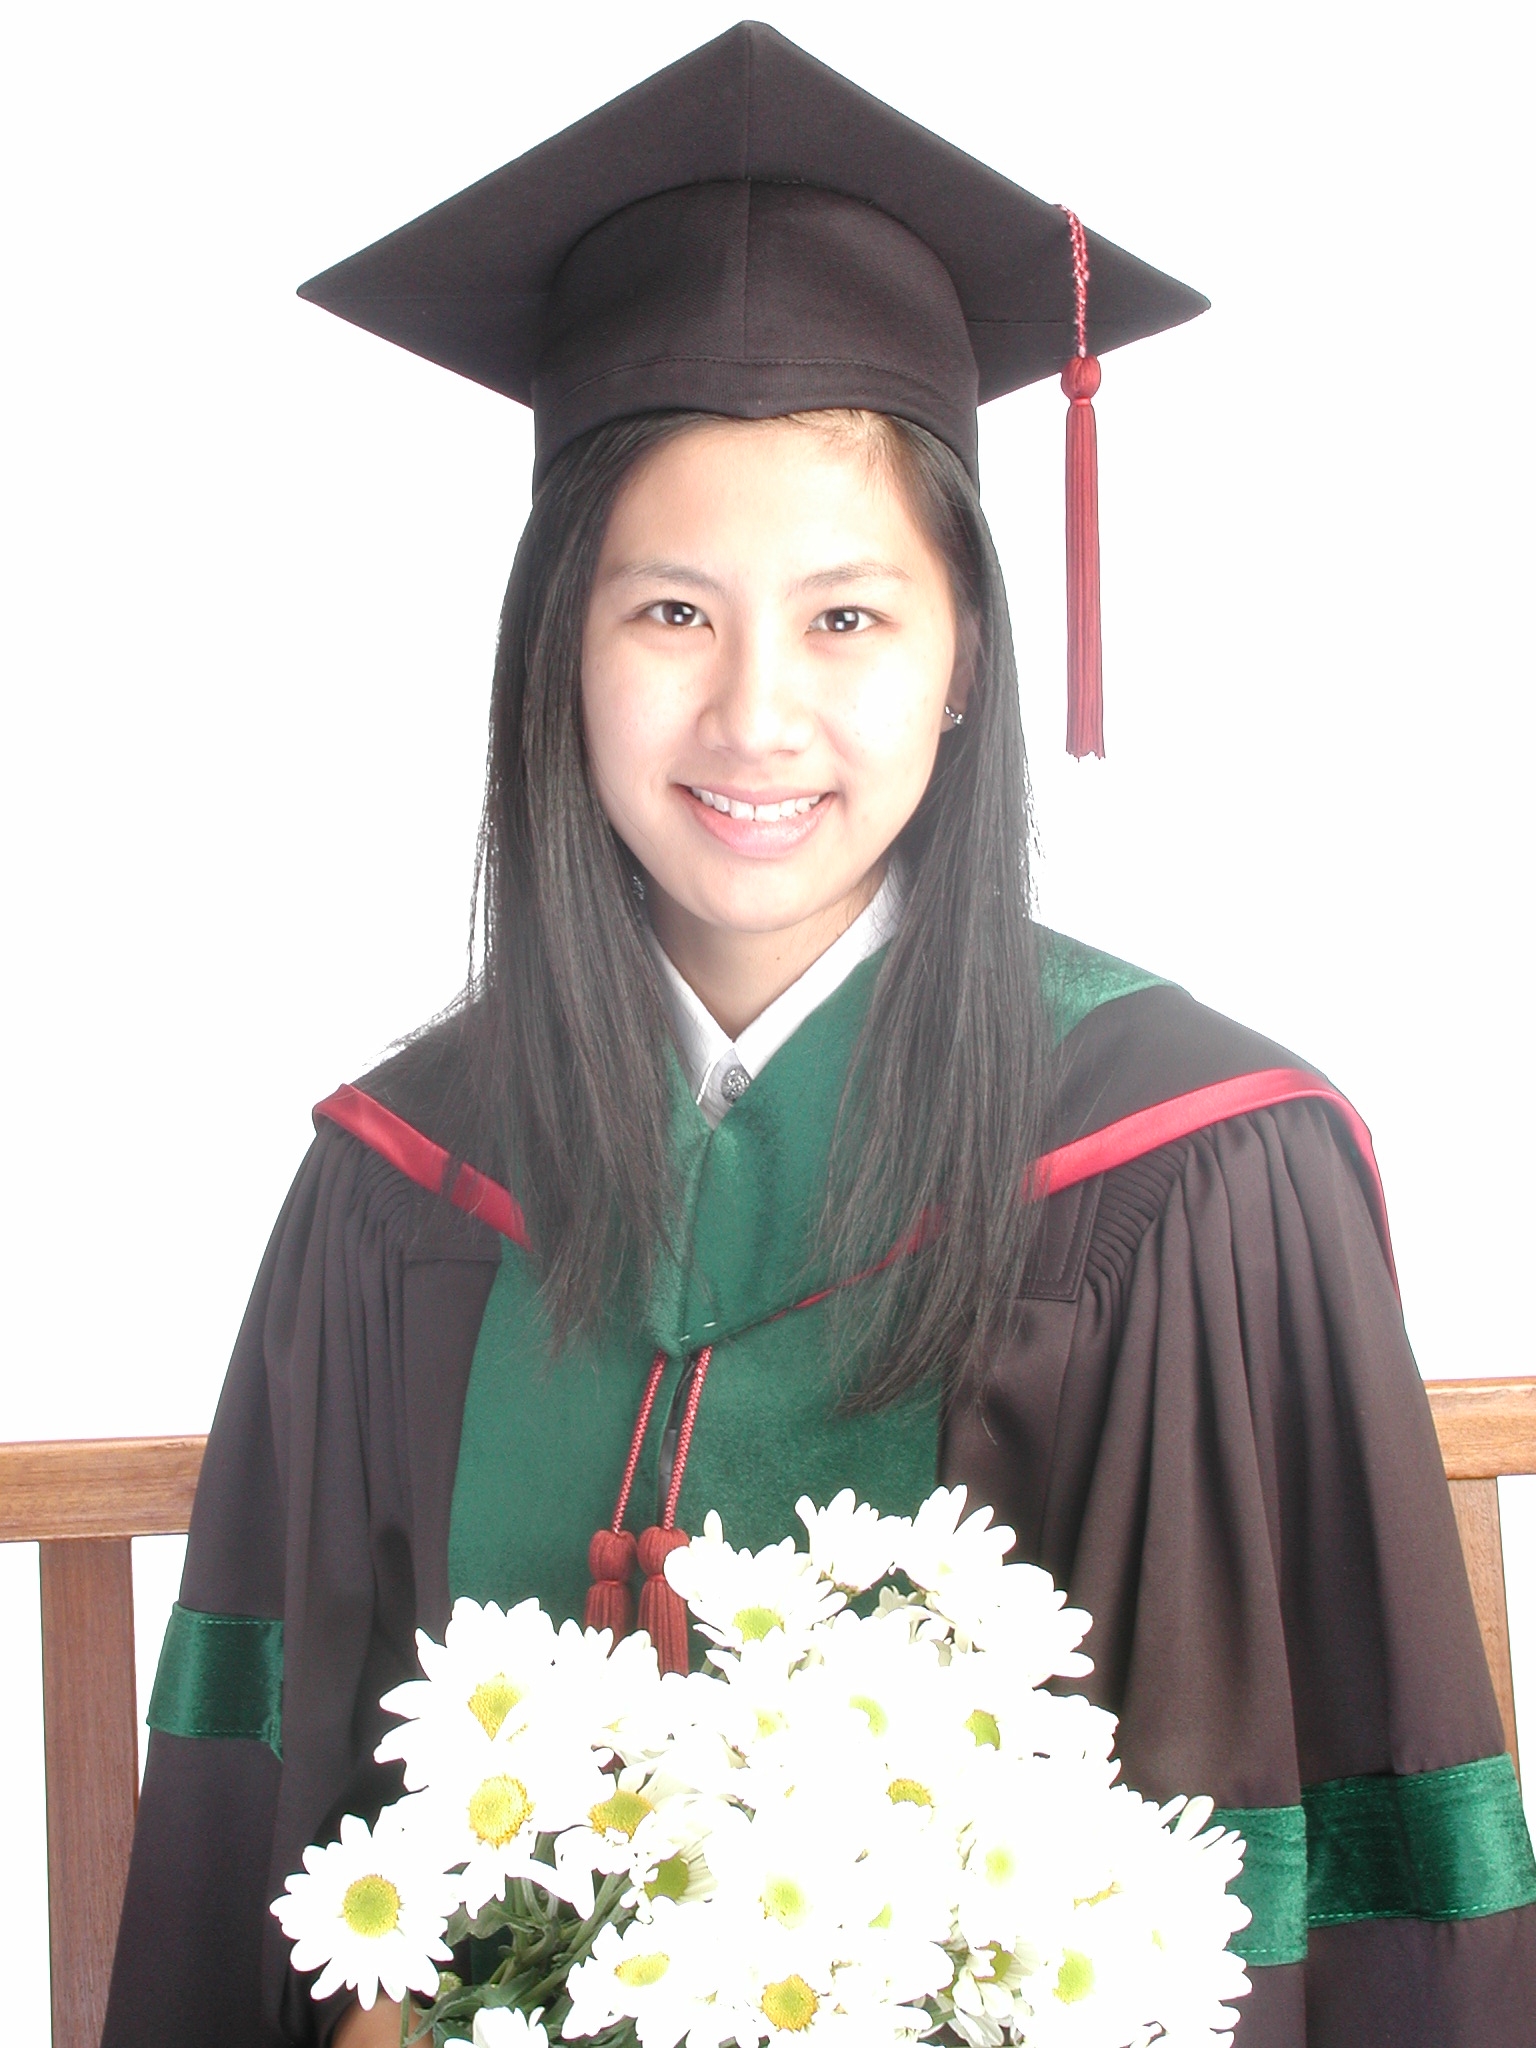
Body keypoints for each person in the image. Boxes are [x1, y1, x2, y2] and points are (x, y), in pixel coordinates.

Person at [102, 22, 1536, 2048]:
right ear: (559, 653)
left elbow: (1348, 1885)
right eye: (669, 613)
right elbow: (264, 1854)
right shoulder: (396, 1192)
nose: (755, 716)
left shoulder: (1201, 1169)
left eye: (848, 616)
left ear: (965, 664)